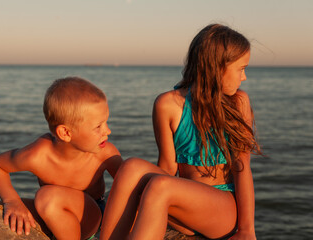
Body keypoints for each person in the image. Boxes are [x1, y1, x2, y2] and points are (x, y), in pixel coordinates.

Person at [100, 24, 262, 240]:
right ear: (216, 68)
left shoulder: (238, 102)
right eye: (241, 69)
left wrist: (246, 230)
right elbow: (167, 166)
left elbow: (242, 168)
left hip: (223, 208)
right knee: (131, 167)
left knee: (160, 186)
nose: (244, 78)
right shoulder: (167, 104)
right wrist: (141, 199)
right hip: (183, 205)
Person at [0, 77, 122, 240]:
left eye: (106, 122)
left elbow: (128, 187)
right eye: (98, 126)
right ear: (65, 133)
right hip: (51, 214)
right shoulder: (37, 155)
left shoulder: (105, 153)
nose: (108, 131)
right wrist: (11, 200)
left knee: (47, 196)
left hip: (91, 215)